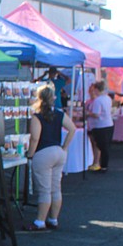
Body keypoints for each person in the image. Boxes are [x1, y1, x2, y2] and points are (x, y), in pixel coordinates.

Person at [23, 85, 77, 231]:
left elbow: (35, 138)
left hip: (43, 154)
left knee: (44, 190)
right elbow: (72, 129)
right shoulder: (59, 114)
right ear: (52, 98)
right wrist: (64, 147)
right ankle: (53, 219)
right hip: (58, 152)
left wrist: (30, 155)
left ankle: (40, 221)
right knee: (56, 188)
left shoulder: (37, 116)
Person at [86, 80, 114, 172]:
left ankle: (103, 166)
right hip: (108, 124)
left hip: (100, 126)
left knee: (101, 146)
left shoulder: (98, 100)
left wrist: (87, 113)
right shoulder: (108, 98)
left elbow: (96, 114)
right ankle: (103, 165)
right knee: (105, 147)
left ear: (97, 89)